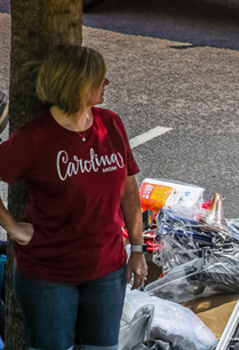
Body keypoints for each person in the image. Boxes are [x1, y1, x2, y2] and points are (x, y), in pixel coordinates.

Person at [0, 44, 147, 349]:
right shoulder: (34, 138)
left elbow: (129, 191)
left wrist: (137, 248)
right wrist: (12, 227)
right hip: (48, 276)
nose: (106, 83)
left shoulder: (111, 124)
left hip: (108, 270)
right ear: (76, 84)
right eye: (99, 78)